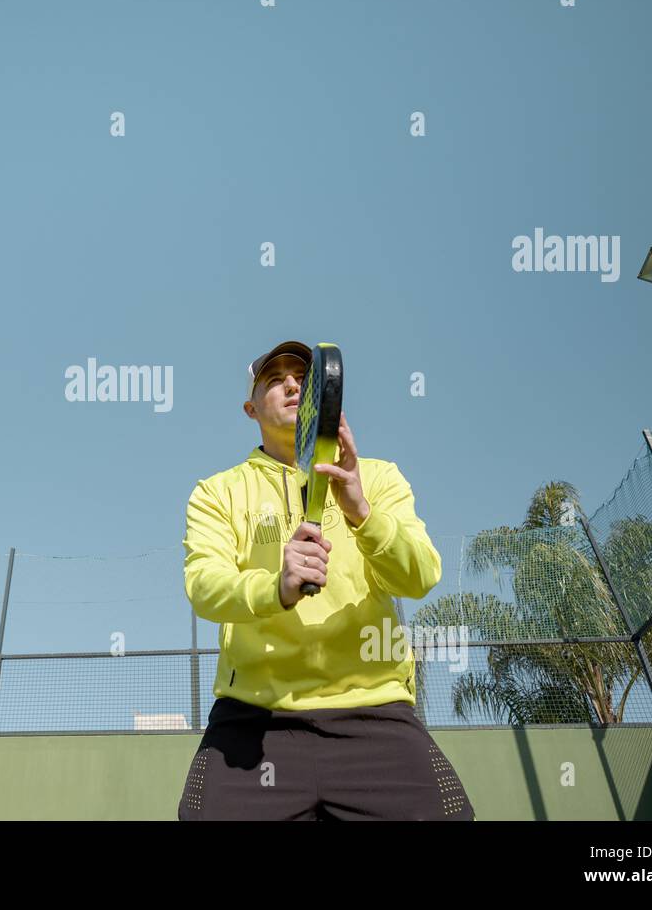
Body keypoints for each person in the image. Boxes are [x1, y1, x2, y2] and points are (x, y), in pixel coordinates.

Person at [177, 340, 475, 820]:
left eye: (303, 378)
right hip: (255, 720)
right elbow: (204, 586)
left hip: (374, 714)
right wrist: (275, 587)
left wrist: (361, 510)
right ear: (251, 409)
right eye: (275, 379)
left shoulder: (378, 478)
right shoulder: (217, 491)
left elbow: (421, 574)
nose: (292, 384)